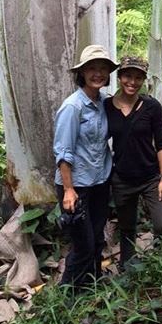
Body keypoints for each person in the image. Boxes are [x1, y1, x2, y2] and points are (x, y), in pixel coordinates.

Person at [53, 44, 118, 288]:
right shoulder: (73, 106)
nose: (98, 73)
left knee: (97, 239)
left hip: (99, 182)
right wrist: (69, 190)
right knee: (83, 244)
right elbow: (63, 151)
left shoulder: (104, 102)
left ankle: (92, 285)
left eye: (102, 69)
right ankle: (67, 296)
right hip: (76, 186)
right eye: (92, 68)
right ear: (82, 73)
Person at [105, 56, 162, 270]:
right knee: (127, 228)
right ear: (119, 77)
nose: (132, 82)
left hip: (151, 178)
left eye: (137, 77)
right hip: (122, 179)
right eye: (127, 76)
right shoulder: (106, 106)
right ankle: (128, 270)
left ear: (143, 80)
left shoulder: (151, 106)